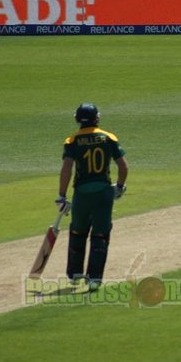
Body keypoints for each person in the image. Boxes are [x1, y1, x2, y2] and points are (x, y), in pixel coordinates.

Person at [57, 103, 128, 291]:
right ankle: (94, 279)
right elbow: (123, 167)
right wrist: (119, 187)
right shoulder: (108, 137)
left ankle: (75, 277)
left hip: (81, 194)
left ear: (77, 119)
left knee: (77, 232)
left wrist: (61, 196)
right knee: (100, 234)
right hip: (104, 193)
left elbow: (66, 170)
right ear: (97, 118)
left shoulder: (71, 141)